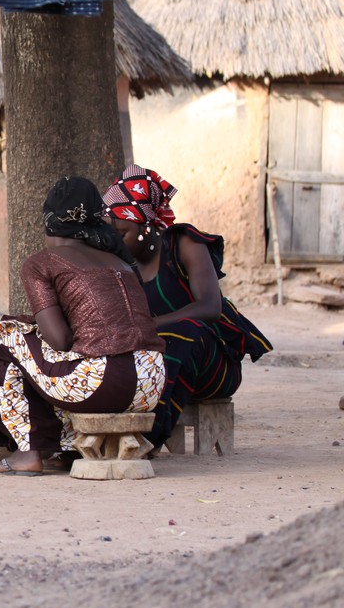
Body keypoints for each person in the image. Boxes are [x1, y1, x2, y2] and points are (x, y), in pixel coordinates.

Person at [0, 176, 167, 475]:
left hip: (103, 383)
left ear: (48, 220)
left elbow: (59, 340)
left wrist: (28, 327)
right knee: (51, 351)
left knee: (9, 335)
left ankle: (29, 452)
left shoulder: (42, 262)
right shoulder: (121, 262)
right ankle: (69, 447)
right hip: (151, 383)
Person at [103, 165, 272, 447]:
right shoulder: (120, 262)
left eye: (121, 234)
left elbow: (210, 307)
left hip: (212, 365)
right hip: (158, 362)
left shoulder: (184, 244)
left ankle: (147, 440)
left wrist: (153, 325)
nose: (115, 241)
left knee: (186, 331)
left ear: (146, 225)